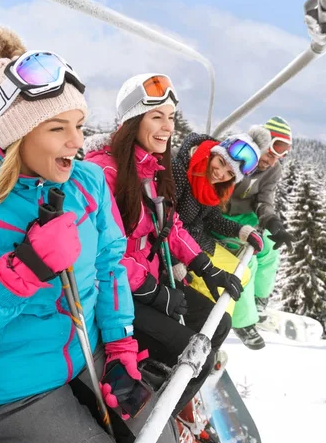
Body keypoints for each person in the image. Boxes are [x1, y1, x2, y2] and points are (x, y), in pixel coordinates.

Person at [0, 28, 177, 443]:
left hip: (87, 350)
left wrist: (120, 346)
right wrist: (21, 270)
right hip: (11, 383)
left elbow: (109, 264)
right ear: (16, 133)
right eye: (57, 128)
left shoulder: (85, 182)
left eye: (80, 126)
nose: (77, 142)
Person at [84, 73, 236, 420]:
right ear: (133, 120)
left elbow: (171, 225)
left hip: (148, 282)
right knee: (197, 353)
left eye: (170, 117)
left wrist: (205, 267)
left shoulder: (152, 167)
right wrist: (152, 290)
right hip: (117, 291)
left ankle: (170, 398)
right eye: (157, 116)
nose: (167, 127)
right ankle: (155, 423)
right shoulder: (103, 173)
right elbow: (103, 251)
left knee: (219, 321)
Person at [222, 116, 295, 349]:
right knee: (247, 259)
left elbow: (265, 200)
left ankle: (258, 300)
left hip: (245, 217)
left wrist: (273, 222)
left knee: (270, 249)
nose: (271, 161)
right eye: (269, 153)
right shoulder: (237, 155)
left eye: (278, 157)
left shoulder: (272, 170)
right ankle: (242, 321)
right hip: (219, 217)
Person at [170, 132, 265, 307]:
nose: (220, 174)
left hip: (198, 242)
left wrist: (241, 231)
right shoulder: (179, 170)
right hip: (177, 246)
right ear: (213, 153)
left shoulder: (213, 187)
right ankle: (204, 323)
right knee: (216, 291)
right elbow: (161, 220)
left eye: (229, 173)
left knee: (241, 274)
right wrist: (172, 261)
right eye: (220, 162)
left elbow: (212, 219)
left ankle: (219, 323)